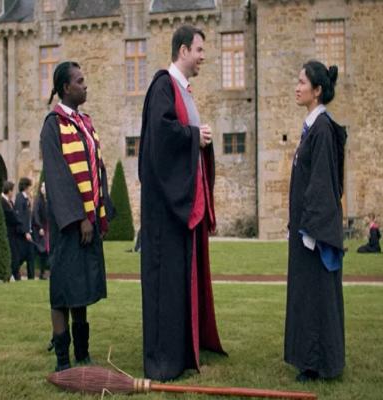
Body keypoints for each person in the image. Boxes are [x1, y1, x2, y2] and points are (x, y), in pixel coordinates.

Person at [138, 25, 225, 381]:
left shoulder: (183, 91)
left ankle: (184, 346)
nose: (204, 57)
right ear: (184, 50)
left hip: (178, 210)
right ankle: (165, 358)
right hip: (165, 212)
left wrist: (196, 138)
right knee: (166, 284)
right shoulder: (163, 86)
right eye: (201, 50)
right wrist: (195, 136)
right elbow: (159, 138)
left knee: (181, 282)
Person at [40, 61, 114, 371]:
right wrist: (80, 218)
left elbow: (98, 167)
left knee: (81, 289)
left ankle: (82, 353)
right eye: (80, 81)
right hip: (68, 225)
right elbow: (57, 176)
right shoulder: (53, 125)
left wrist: (101, 212)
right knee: (62, 292)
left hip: (88, 222)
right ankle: (62, 361)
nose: (86, 85)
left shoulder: (84, 123)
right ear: (66, 87)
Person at [285, 60, 347, 382]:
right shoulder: (312, 128)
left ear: (317, 90)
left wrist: (311, 230)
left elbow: (322, 183)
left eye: (301, 82)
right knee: (307, 296)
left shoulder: (321, 129)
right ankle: (310, 360)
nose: (296, 87)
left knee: (316, 297)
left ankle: (318, 363)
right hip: (303, 230)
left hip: (314, 232)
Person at [0, 181, 30, 281]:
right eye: (12, 191)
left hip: (14, 234)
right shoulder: (2, 201)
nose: (13, 193)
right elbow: (12, 216)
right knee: (13, 255)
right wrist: (21, 223)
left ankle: (15, 275)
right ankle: (12, 275)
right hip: (8, 233)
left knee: (16, 255)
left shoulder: (10, 202)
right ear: (8, 191)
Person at [15, 177, 35, 280]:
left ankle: (31, 278)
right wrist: (26, 232)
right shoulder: (19, 198)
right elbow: (20, 217)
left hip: (29, 232)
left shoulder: (26, 199)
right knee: (21, 256)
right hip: (23, 234)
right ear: (26, 187)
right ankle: (14, 272)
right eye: (29, 187)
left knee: (31, 256)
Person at [32, 181, 50, 279]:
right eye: (42, 187)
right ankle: (41, 272)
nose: (43, 189)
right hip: (41, 228)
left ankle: (45, 272)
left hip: (48, 227)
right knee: (42, 250)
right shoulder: (38, 200)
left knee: (47, 250)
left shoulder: (48, 200)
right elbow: (36, 214)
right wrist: (40, 227)